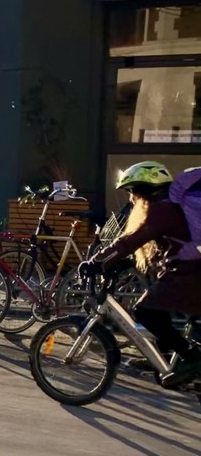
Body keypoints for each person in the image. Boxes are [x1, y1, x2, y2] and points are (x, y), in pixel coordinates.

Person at [88, 161, 201, 387]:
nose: (131, 199)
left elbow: (131, 240)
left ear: (145, 189)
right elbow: (159, 247)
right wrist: (121, 262)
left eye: (133, 192)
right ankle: (164, 358)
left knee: (145, 311)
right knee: (159, 309)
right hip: (188, 271)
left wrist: (96, 261)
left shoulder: (161, 210)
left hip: (190, 273)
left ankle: (191, 357)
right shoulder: (169, 207)